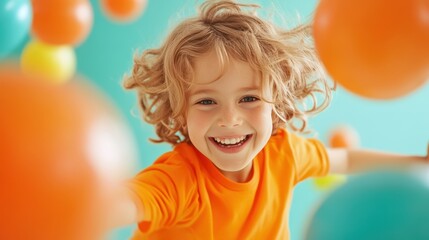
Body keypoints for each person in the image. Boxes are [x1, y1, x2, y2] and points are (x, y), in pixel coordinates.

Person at [112, 0, 429, 239]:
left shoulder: (283, 154)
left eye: (248, 99)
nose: (230, 119)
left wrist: (418, 163)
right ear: (181, 112)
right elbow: (125, 202)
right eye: (206, 101)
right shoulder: (181, 179)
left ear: (275, 104)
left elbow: (343, 159)